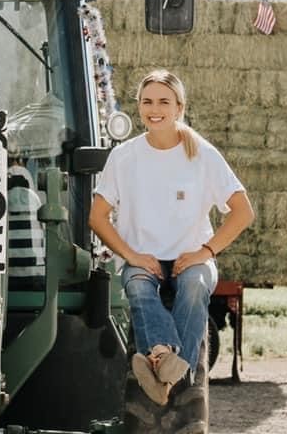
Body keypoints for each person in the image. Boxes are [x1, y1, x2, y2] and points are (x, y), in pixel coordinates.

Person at [88, 69, 254, 405]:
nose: (155, 108)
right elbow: (97, 217)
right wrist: (131, 255)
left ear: (179, 107)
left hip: (192, 258)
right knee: (136, 285)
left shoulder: (202, 154)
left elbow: (243, 211)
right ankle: (166, 360)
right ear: (138, 107)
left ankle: (165, 370)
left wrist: (205, 251)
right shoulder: (123, 157)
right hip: (142, 258)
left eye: (164, 101)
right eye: (147, 101)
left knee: (194, 286)